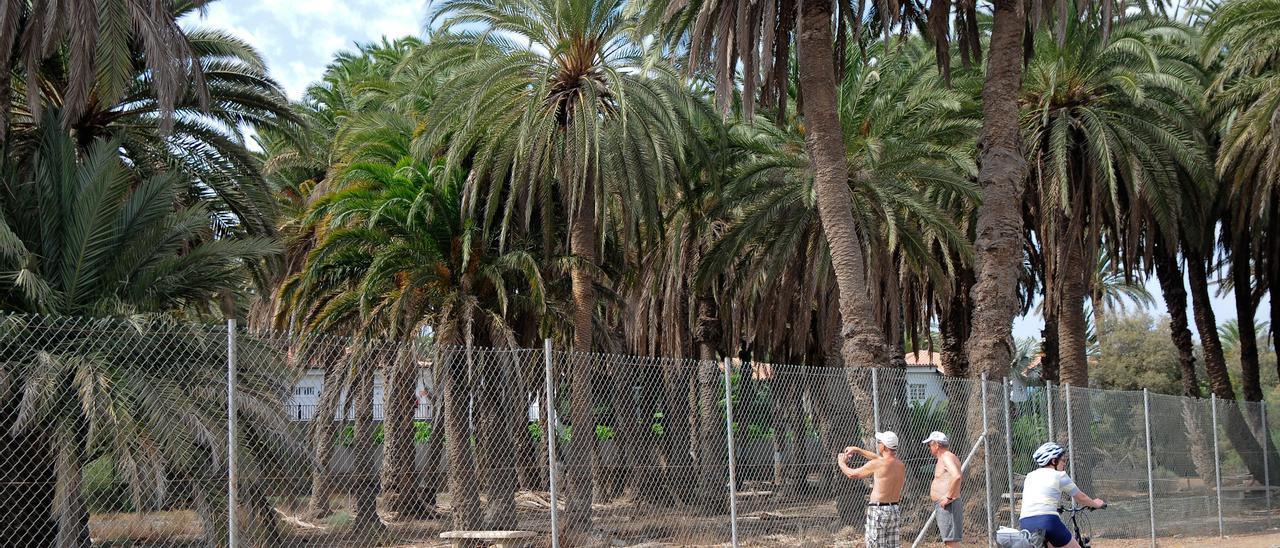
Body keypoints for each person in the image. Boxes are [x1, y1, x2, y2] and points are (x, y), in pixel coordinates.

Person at [1019, 442, 1105, 548]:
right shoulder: (1060, 475)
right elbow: (1081, 498)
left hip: (1025, 523)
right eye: (1063, 461)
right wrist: (1096, 504)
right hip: (1048, 521)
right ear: (1054, 461)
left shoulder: (1029, 476)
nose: (1064, 464)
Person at [839, 431, 906, 548]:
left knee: (874, 545)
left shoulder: (877, 464)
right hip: (894, 510)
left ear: (883, 446)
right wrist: (857, 450)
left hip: (878, 511)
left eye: (879, 442)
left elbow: (852, 474)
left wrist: (841, 463)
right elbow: (878, 458)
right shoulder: (899, 464)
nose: (877, 444)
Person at [923, 431, 963, 547]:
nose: (929, 447)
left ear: (936, 444)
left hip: (948, 505)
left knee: (951, 542)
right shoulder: (947, 457)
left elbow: (957, 476)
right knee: (949, 541)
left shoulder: (946, 457)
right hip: (947, 505)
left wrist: (949, 497)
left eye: (929, 444)